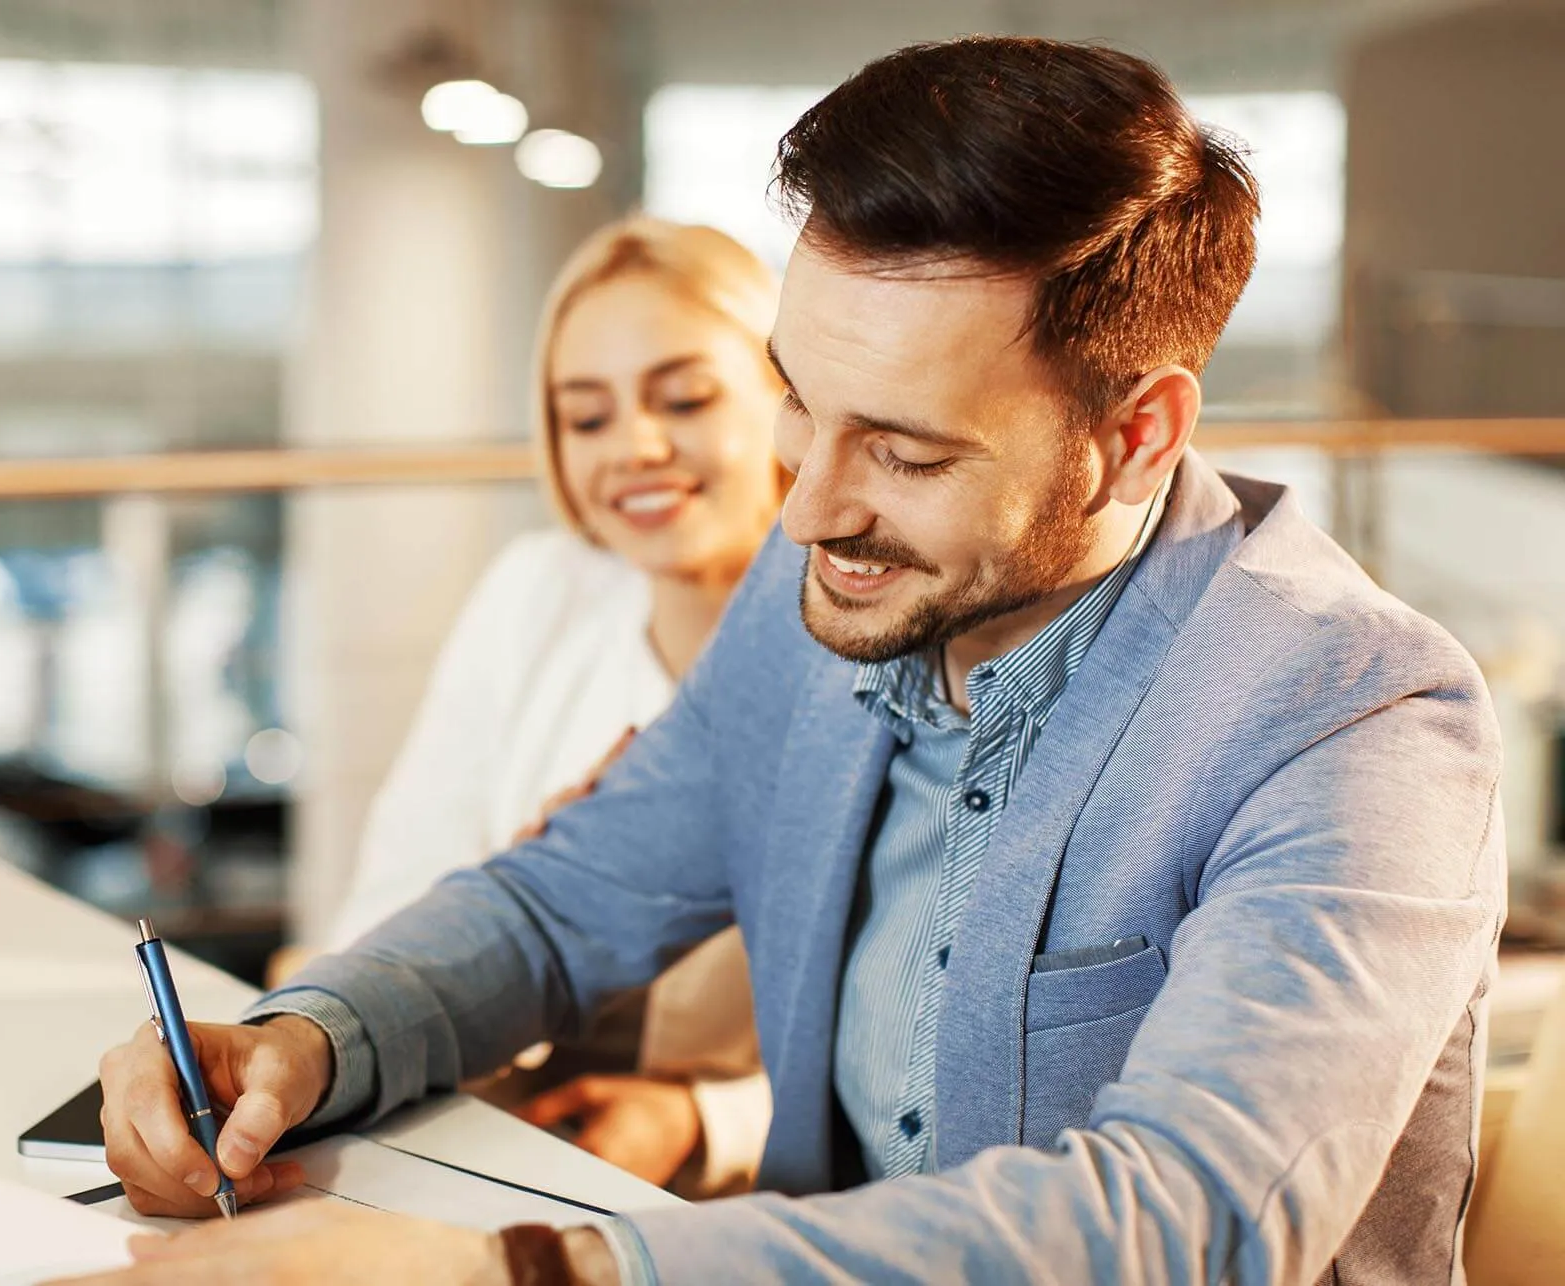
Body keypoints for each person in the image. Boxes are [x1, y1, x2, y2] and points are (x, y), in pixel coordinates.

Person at [72, 37, 1504, 1286]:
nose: (806, 506)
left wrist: (520, 1271)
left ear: (1135, 434)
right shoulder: (835, 578)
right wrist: (310, 1038)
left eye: (905, 448)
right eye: (799, 404)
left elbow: (1184, 1221)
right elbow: (575, 896)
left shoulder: (1357, 719)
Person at [284, 215, 784, 1192]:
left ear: (788, 396)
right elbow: (394, 894)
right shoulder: (539, 591)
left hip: (752, 1198)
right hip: (491, 1138)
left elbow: (915, 1037)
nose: (635, 447)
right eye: (585, 416)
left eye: (682, 398)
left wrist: (701, 1120)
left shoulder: (870, 635)